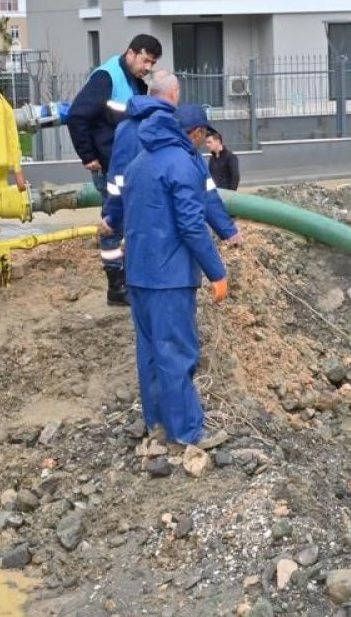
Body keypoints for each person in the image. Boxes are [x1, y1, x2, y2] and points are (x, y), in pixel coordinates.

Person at [122, 103, 231, 449]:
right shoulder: (182, 163)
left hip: (138, 275)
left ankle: (157, 424)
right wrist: (216, 272)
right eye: (204, 135)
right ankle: (187, 431)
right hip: (169, 277)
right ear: (196, 133)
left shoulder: (140, 161)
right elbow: (191, 225)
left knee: (151, 353)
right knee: (177, 352)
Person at [67, 33, 162, 306]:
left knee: (130, 223)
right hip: (109, 167)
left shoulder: (136, 82)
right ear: (131, 53)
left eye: (152, 64)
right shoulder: (107, 78)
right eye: (146, 61)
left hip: (127, 166)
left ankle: (130, 282)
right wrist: (88, 157)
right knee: (112, 224)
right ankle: (116, 287)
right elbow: (77, 115)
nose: (147, 67)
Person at [101, 72, 242, 251]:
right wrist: (228, 230)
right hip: (170, 232)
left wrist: (112, 217)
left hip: (136, 227)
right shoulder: (178, 127)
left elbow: (117, 182)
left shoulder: (125, 128)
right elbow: (203, 189)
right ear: (174, 93)